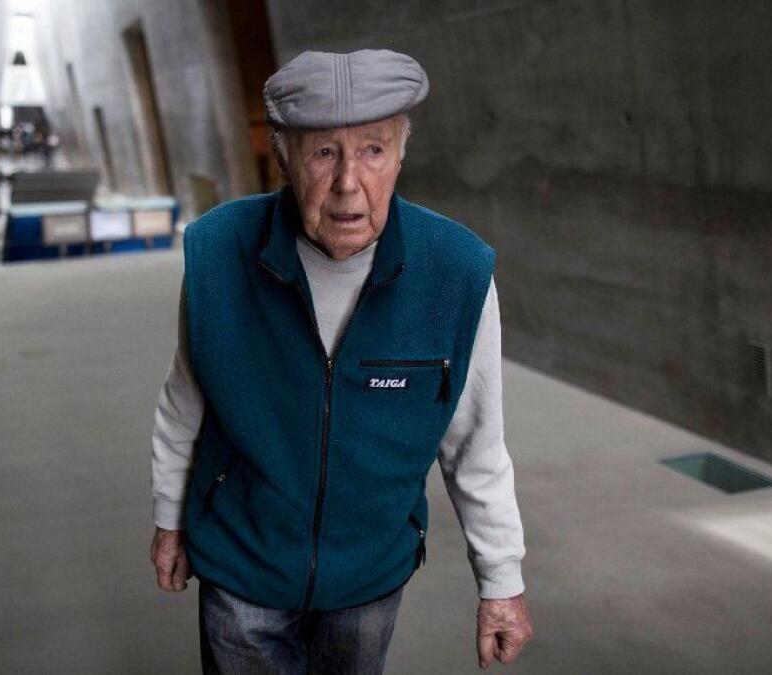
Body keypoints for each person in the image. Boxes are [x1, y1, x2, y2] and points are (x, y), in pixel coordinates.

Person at [150, 49, 533, 673]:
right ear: (284, 157)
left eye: (374, 150)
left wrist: (502, 582)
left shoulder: (458, 274)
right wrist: (169, 518)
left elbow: (476, 446)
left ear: (401, 155)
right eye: (324, 152)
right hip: (244, 564)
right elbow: (182, 401)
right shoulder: (218, 255)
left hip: (368, 577)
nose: (349, 183)